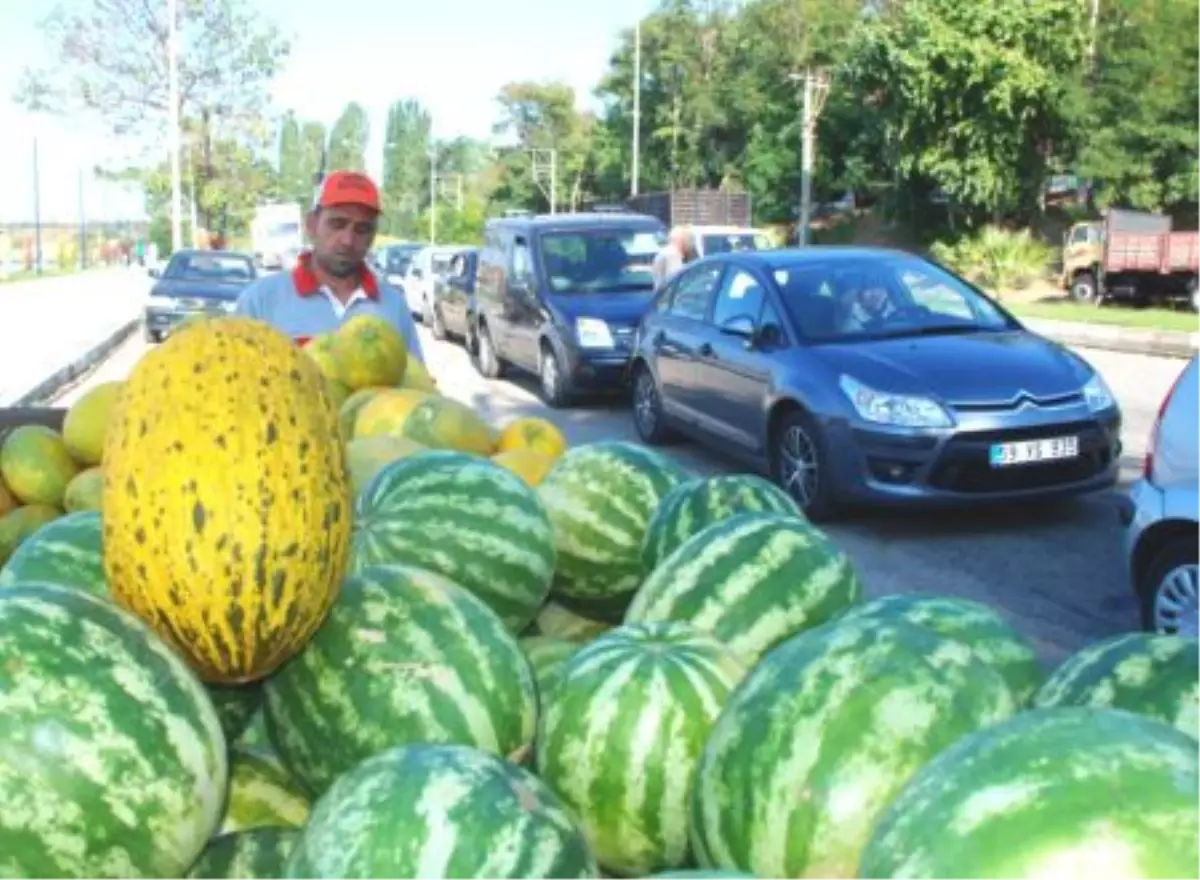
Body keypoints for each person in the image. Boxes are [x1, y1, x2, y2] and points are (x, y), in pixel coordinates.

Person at [235, 170, 424, 362]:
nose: (348, 240)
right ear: (312, 225)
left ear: (373, 236)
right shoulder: (260, 302)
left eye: (362, 229)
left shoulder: (393, 305)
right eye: (337, 224)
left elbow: (416, 386)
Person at [651, 225, 696, 290]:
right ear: (681, 241)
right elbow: (675, 280)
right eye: (689, 240)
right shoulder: (673, 255)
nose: (690, 245)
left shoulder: (663, 253)